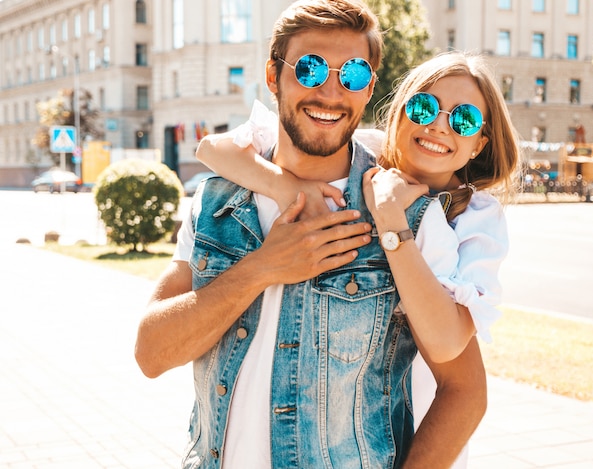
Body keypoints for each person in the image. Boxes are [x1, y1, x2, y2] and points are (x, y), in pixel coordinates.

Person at [135, 1, 488, 468]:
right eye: (310, 68)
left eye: (354, 75)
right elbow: (151, 353)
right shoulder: (215, 199)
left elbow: (464, 391)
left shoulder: (405, 218)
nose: (330, 91)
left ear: (369, 92)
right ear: (272, 75)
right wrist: (262, 268)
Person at [196, 51, 520, 466]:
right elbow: (213, 149)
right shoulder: (361, 151)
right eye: (424, 107)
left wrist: (390, 219)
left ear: (479, 143)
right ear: (399, 112)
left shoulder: (474, 220)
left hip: (421, 446)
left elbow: (447, 348)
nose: (439, 125)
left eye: (464, 120)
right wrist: (288, 187)